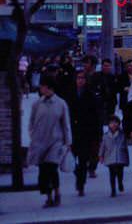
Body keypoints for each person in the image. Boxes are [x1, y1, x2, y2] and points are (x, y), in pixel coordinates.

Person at [28, 75, 72, 208]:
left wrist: (68, 141)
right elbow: (31, 122)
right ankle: (48, 197)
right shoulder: (37, 104)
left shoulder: (61, 103)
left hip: (55, 142)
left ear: (49, 88)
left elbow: (66, 124)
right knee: (43, 171)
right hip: (40, 142)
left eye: (43, 86)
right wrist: (33, 136)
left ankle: (57, 193)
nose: (41, 88)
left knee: (52, 168)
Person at [68, 70, 102, 196]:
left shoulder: (91, 95)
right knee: (72, 160)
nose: (80, 80)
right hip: (72, 132)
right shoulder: (70, 94)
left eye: (82, 78)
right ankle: (79, 175)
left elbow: (96, 116)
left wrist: (97, 134)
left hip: (86, 133)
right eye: (78, 78)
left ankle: (80, 184)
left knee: (82, 160)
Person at [99, 115, 129, 197]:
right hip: (110, 157)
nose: (114, 124)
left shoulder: (122, 135)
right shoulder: (105, 136)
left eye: (116, 123)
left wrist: (126, 157)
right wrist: (100, 155)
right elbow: (103, 146)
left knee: (120, 173)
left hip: (120, 156)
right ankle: (113, 190)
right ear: (108, 124)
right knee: (112, 174)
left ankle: (120, 182)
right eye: (111, 123)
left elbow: (126, 145)